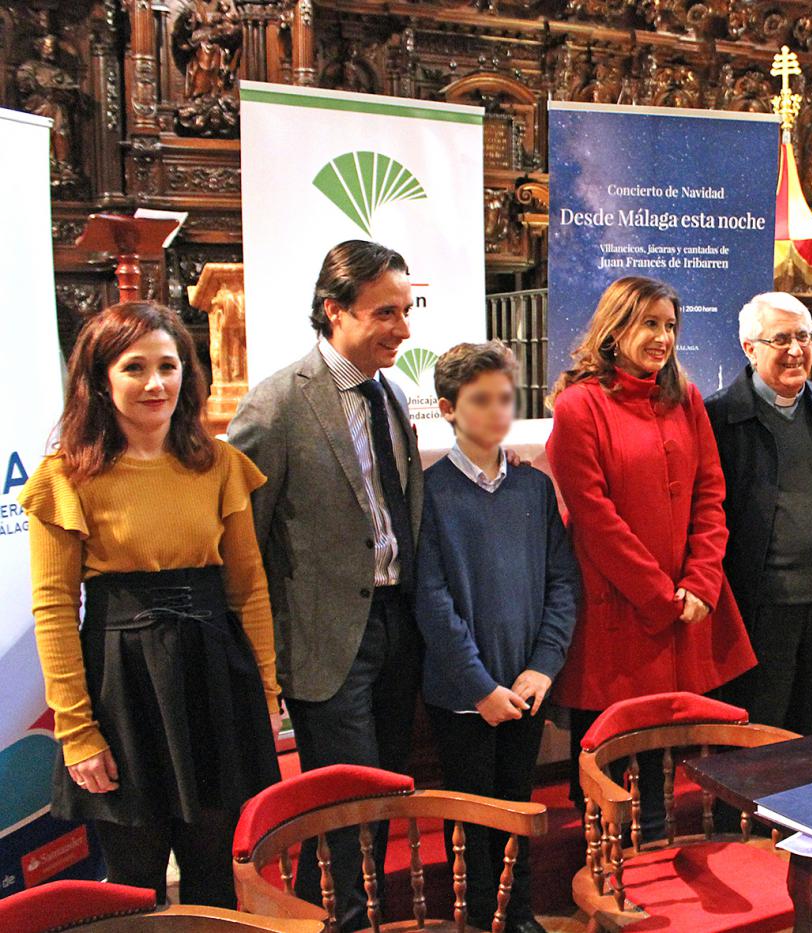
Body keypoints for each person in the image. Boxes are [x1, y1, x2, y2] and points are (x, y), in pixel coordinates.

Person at [21, 302, 281, 907]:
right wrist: (77, 732)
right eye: (134, 367)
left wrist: (266, 695)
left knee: (216, 874)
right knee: (135, 884)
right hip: (122, 687)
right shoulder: (66, 476)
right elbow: (55, 608)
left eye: (169, 365)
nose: (156, 382)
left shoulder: (219, 464)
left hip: (214, 678)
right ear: (99, 379)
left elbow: (249, 587)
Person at [228, 239, 423, 930]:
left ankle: (321, 917)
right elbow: (241, 535)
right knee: (343, 808)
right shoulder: (278, 403)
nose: (403, 327)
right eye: (385, 312)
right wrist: (267, 650)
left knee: (379, 799)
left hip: (399, 626)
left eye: (407, 309)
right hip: (326, 640)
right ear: (334, 310)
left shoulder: (391, 393)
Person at [546, 275, 755, 836]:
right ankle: (606, 871)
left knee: (667, 751)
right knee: (610, 750)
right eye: (650, 324)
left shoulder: (683, 396)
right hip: (616, 608)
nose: (663, 338)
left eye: (669, 326)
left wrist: (703, 579)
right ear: (615, 330)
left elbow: (711, 492)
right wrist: (659, 594)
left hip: (686, 603)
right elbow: (593, 517)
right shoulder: (578, 405)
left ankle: (661, 854)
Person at [416, 341, 577, 933]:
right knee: (475, 809)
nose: (496, 412)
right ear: (447, 408)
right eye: (480, 400)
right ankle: (480, 916)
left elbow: (562, 583)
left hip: (527, 682)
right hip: (467, 693)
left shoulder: (532, 488)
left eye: (505, 399)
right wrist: (480, 686)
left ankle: (520, 912)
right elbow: (432, 600)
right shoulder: (431, 493)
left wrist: (543, 666)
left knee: (520, 804)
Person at [705, 292, 812, 734]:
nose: (796, 350)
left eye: (803, 336)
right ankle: (739, 808)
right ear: (749, 348)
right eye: (781, 339)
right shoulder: (719, 418)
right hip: (761, 605)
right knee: (759, 732)